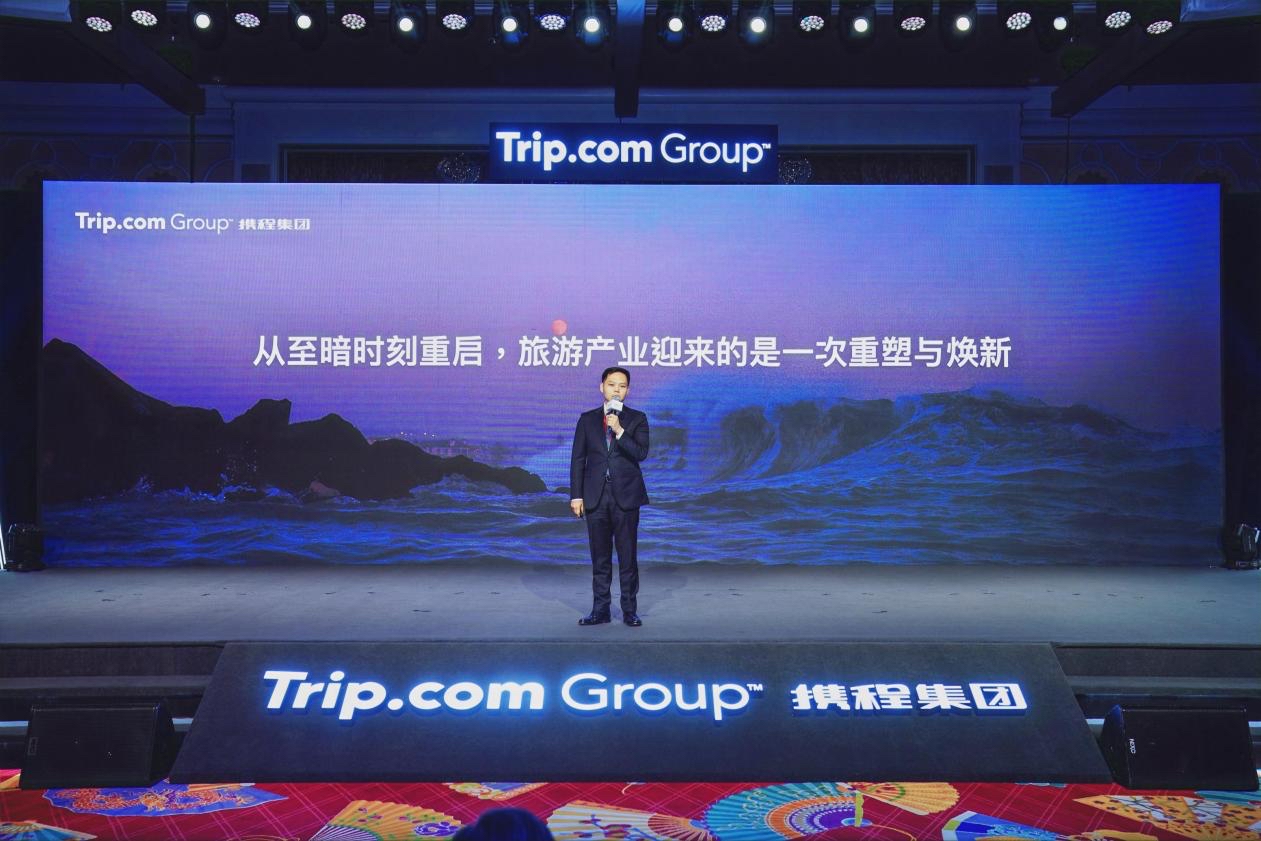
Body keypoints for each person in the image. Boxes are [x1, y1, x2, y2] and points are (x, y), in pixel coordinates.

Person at [569, 366, 650, 627]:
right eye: (612, 384)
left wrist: (620, 431)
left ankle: (629, 611)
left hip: (626, 497)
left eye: (622, 386)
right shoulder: (587, 419)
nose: (617, 390)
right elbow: (578, 459)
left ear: (628, 390)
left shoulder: (637, 419)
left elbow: (641, 453)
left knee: (628, 558)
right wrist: (576, 496)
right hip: (595, 497)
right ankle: (600, 610)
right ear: (601, 387)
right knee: (600, 558)